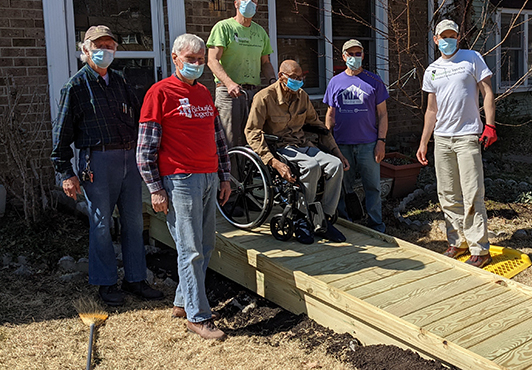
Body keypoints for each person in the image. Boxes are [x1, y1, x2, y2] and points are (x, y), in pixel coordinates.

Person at [51, 25, 164, 306]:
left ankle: (135, 278)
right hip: (97, 161)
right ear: (86, 49)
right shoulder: (75, 87)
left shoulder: (121, 82)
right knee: (101, 224)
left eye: (110, 46)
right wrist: (66, 172)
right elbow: (61, 136)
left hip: (129, 159)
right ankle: (106, 282)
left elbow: (138, 120)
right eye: (99, 45)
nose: (105, 50)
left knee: (134, 222)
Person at [137, 34, 232, 340]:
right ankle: (198, 316)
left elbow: (218, 138)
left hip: (208, 177)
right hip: (179, 181)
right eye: (190, 59)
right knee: (190, 250)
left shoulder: (204, 92)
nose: (196, 64)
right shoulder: (159, 93)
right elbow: (145, 150)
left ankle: (183, 302)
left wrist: (225, 175)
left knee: (205, 245)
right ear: (175, 59)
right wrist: (155, 188)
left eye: (201, 60)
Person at [416, 19, 498, 268]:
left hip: (467, 136)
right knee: (447, 193)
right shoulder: (432, 70)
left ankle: (480, 249)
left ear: (458, 37)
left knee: (472, 193)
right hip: (442, 138)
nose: (448, 40)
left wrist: (490, 124)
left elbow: (488, 93)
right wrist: (424, 142)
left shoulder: (471, 58)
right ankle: (457, 242)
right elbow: (431, 110)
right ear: (436, 39)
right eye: (444, 36)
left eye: (452, 35)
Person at [245, 60, 350, 244]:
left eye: (301, 77)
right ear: (281, 76)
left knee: (335, 165)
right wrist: (274, 162)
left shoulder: (302, 96)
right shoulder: (264, 97)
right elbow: (252, 132)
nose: (298, 81)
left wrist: (337, 152)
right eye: (294, 78)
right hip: (279, 147)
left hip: (302, 144)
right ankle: (302, 217)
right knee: (311, 166)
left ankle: (323, 219)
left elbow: (318, 127)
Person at [324, 39, 388, 233]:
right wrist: (328, 142)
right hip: (342, 145)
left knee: (373, 188)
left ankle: (376, 224)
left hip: (368, 144)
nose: (354, 57)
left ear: (363, 55)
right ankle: (346, 223)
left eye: (357, 54)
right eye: (350, 54)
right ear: (343, 57)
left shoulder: (374, 80)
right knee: (343, 187)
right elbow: (330, 114)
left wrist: (381, 142)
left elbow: (383, 114)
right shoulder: (335, 82)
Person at [207, 0, 277, 150]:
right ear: (236, 3)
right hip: (228, 93)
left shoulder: (260, 32)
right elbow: (212, 60)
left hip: (253, 93)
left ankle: (249, 176)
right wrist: (229, 83)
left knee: (253, 139)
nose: (249, 1)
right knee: (230, 141)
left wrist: (274, 83)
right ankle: (230, 176)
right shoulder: (224, 27)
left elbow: (265, 63)